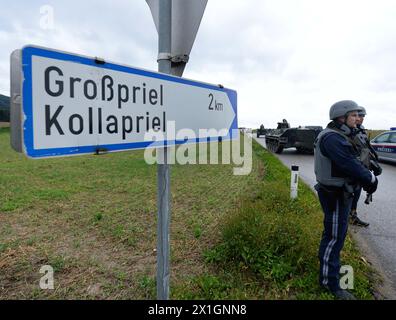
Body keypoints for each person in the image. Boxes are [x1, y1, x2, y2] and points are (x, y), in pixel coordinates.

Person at [314, 100, 379, 300]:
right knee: (334, 237)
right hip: (334, 194)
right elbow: (349, 163)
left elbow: (357, 156)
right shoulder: (332, 138)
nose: (358, 119)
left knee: (337, 234)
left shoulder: (340, 134)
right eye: (354, 115)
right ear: (341, 117)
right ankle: (329, 282)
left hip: (342, 192)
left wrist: (371, 167)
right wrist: (369, 178)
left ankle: (330, 270)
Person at [349, 107, 382, 227]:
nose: (361, 118)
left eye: (363, 116)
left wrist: (374, 163)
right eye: (359, 116)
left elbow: (366, 149)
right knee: (351, 193)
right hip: (354, 168)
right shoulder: (349, 131)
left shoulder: (361, 130)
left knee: (357, 192)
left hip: (363, 165)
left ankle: (352, 215)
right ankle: (348, 217)